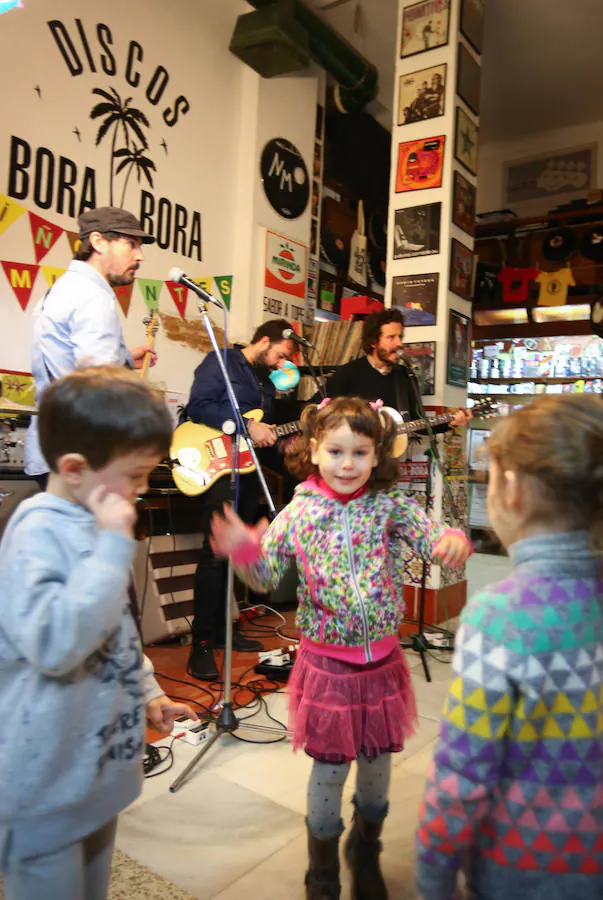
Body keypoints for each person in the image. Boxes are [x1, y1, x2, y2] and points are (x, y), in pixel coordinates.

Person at [210, 396, 473, 899]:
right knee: (330, 770)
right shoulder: (299, 511)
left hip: (383, 665)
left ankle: (365, 850)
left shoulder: (390, 502)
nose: (347, 464)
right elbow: (264, 576)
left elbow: (432, 537)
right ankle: (323, 870)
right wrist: (243, 549)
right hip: (328, 665)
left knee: (377, 765)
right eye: (336, 451)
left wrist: (452, 540)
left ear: (378, 454)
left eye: (360, 452)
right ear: (314, 450)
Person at [0, 367, 196, 900]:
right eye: (134, 476)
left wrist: (150, 692)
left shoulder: (94, 521)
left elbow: (116, 631)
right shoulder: (35, 531)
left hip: (95, 771)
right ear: (73, 468)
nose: (140, 490)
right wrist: (114, 548)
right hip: (44, 787)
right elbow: (57, 644)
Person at [415, 393, 603, 900]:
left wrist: (433, 880)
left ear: (513, 488)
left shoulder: (500, 616)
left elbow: (461, 776)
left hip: (521, 868)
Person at [185, 318, 296, 681]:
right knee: (215, 555)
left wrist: (286, 438)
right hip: (218, 467)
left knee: (239, 552)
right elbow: (198, 405)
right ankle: (200, 644)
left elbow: (266, 433)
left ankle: (222, 631)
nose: (282, 364)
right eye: (280, 355)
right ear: (264, 340)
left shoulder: (266, 384)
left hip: (249, 473)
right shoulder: (222, 361)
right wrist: (247, 426)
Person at [25, 206, 158, 488]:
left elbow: (70, 363)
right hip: (81, 455)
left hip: (51, 448)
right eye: (131, 244)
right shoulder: (92, 297)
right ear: (98, 242)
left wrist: (123, 358)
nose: (140, 255)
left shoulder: (62, 289)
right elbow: (100, 391)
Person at [324, 308, 471, 432]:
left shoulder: (405, 376)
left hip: (390, 460)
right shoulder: (349, 373)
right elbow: (317, 408)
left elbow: (417, 423)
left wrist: (451, 422)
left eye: (400, 337)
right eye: (391, 337)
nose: (399, 343)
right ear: (374, 342)